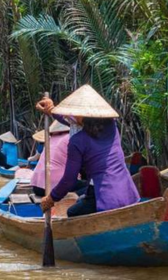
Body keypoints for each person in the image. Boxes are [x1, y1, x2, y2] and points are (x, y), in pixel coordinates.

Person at [37, 85, 140, 217]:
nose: (69, 116)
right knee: (81, 200)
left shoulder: (77, 141)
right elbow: (75, 123)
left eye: (72, 113)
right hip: (127, 192)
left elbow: (69, 180)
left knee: (72, 212)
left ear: (82, 116)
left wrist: (51, 198)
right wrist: (51, 110)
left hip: (104, 196)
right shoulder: (111, 126)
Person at [30, 121, 72, 196]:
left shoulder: (50, 139)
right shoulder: (69, 138)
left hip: (36, 187)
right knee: (87, 187)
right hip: (52, 187)